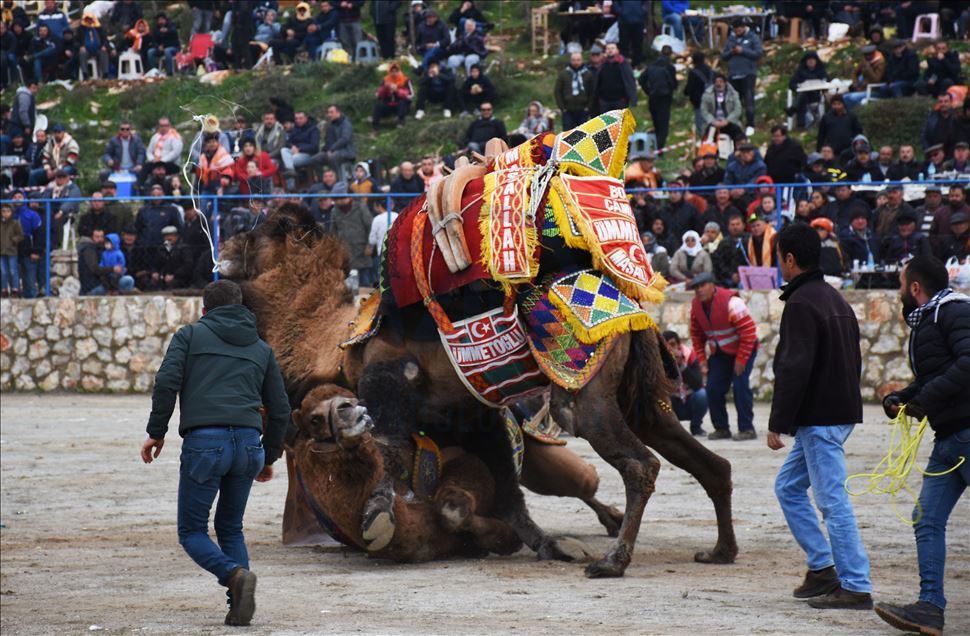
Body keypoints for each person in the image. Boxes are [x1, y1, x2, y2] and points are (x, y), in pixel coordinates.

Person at [141, 279, 290, 627]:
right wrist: (268, 456)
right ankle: (238, 606)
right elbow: (281, 409)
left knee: (192, 531)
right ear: (241, 308)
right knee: (230, 526)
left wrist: (156, 433)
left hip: (206, 444)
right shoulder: (261, 348)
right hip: (249, 445)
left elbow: (166, 383)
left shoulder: (189, 336)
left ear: (204, 310)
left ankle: (233, 575)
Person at [767, 222, 872, 610]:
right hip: (835, 414)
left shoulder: (801, 303)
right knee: (789, 488)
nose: (780, 265)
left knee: (831, 502)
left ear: (790, 259)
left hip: (821, 420)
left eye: (779, 258)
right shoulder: (833, 298)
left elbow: (793, 368)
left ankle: (856, 585)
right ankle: (822, 567)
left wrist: (777, 422)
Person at [875, 255, 970, 634]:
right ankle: (930, 608)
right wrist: (903, 397)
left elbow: (967, 363)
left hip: (965, 433)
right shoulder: (929, 320)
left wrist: (924, 399)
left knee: (927, 519)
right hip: (949, 439)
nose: (899, 292)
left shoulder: (952, 312)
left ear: (915, 288)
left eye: (901, 285)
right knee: (925, 519)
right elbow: (937, 373)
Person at [688, 272, 759, 441]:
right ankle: (721, 428)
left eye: (702, 285)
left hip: (744, 348)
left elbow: (749, 334)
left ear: (713, 285)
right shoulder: (696, 307)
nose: (699, 290)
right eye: (696, 287)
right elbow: (697, 336)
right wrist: (702, 361)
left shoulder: (733, 303)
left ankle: (747, 428)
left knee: (740, 386)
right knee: (712, 388)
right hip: (720, 353)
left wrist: (741, 360)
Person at [721, 18, 762, 136]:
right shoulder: (731, 39)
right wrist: (732, 52)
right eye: (735, 29)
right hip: (733, 74)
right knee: (735, 101)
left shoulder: (752, 37)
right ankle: (737, 123)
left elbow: (758, 53)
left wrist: (743, 51)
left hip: (748, 73)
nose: (738, 31)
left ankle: (750, 124)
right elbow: (724, 56)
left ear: (744, 27)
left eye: (739, 28)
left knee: (748, 99)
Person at [664, 331, 708, 436]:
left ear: (679, 345)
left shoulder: (690, 356)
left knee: (702, 395)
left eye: (673, 345)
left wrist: (682, 365)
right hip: (672, 401)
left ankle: (696, 426)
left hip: (689, 400)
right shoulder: (661, 359)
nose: (670, 349)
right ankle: (671, 428)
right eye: (667, 345)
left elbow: (698, 384)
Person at [638, 45, 677, 151]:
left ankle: (653, 145)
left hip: (653, 98)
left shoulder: (651, 66)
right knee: (663, 126)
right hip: (664, 99)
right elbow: (674, 84)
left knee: (656, 124)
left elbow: (641, 80)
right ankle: (659, 150)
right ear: (670, 54)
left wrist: (648, 91)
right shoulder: (670, 68)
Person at [331, 196, 375, 286]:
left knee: (365, 283)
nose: (338, 201)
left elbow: (370, 226)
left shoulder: (360, 207)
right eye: (336, 200)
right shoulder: (334, 211)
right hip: (344, 253)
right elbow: (333, 232)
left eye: (340, 198)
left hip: (362, 250)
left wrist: (370, 245)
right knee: (347, 286)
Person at [590, 42, 636, 114]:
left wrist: (632, 99)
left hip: (620, 101)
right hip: (604, 102)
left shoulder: (623, 64)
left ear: (617, 50)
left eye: (612, 48)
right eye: (608, 48)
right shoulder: (602, 64)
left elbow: (630, 81)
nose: (610, 50)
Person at [787, 51, 828, 129]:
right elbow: (791, 84)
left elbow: (826, 81)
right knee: (803, 94)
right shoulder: (800, 71)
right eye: (809, 60)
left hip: (815, 95)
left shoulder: (821, 70)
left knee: (803, 95)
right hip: (803, 96)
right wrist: (799, 86)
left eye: (813, 59)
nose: (811, 61)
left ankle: (793, 109)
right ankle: (801, 124)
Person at [555, 52, 593, 131]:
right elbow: (557, 91)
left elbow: (592, 91)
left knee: (582, 134)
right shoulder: (563, 74)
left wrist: (588, 107)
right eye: (573, 60)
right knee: (567, 134)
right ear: (570, 61)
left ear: (582, 61)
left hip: (583, 110)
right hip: (568, 110)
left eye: (578, 60)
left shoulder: (588, 74)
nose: (576, 62)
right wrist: (562, 108)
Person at [699, 74, 743, 142]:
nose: (719, 84)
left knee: (738, 134)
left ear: (725, 83)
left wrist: (727, 120)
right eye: (717, 82)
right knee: (708, 137)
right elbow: (704, 111)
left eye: (721, 81)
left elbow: (737, 109)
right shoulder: (706, 95)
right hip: (713, 122)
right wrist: (713, 121)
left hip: (729, 122)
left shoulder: (734, 94)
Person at [280, 111, 319, 186]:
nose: (298, 120)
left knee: (291, 160)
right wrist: (292, 146)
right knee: (284, 150)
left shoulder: (313, 129)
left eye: (300, 118)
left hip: (308, 154)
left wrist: (300, 149)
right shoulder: (295, 129)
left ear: (306, 118)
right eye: (296, 118)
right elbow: (287, 142)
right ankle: (291, 172)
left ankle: (291, 184)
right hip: (295, 152)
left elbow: (314, 146)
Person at [843, 44, 886, 110]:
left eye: (869, 55)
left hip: (875, 90)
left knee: (852, 98)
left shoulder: (880, 62)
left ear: (873, 53)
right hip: (862, 88)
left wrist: (869, 69)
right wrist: (855, 83)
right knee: (845, 97)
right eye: (865, 55)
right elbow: (854, 73)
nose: (867, 57)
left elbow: (877, 80)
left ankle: (854, 114)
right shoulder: (864, 61)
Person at [314, 104, 355, 171]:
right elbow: (328, 141)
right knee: (315, 159)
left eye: (331, 112)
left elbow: (345, 139)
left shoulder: (346, 124)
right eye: (328, 112)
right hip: (332, 151)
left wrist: (332, 149)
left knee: (333, 157)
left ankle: (337, 179)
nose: (329, 115)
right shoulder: (331, 125)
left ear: (338, 112)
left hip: (346, 151)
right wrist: (324, 151)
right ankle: (323, 180)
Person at [373, 65, 412, 129]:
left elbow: (410, 95)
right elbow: (378, 95)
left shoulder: (405, 80)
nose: (394, 73)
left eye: (396, 71)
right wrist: (385, 88)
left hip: (400, 105)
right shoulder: (385, 80)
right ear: (389, 72)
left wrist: (397, 91)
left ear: (399, 72)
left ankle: (400, 122)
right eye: (392, 71)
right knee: (378, 106)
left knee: (402, 102)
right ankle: (375, 127)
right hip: (389, 104)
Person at [684, 51, 714, 135]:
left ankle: (704, 142)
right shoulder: (711, 71)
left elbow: (689, 88)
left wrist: (686, 93)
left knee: (701, 125)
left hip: (699, 102)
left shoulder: (694, 73)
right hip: (712, 100)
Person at [613, 0, 646, 68]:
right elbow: (615, 3)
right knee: (624, 44)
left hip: (638, 21)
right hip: (624, 21)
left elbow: (646, 3)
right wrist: (621, 11)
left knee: (638, 44)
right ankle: (623, 64)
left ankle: (638, 64)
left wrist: (642, 11)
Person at [0, 203, 23, 297]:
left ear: (11, 212)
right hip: (1, 251)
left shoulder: (15, 223)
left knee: (13, 271)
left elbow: (21, 236)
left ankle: (15, 289)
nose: (5, 213)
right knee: (3, 272)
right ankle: (4, 290)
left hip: (12, 251)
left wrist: (13, 241)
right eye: (3, 211)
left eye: (8, 211)